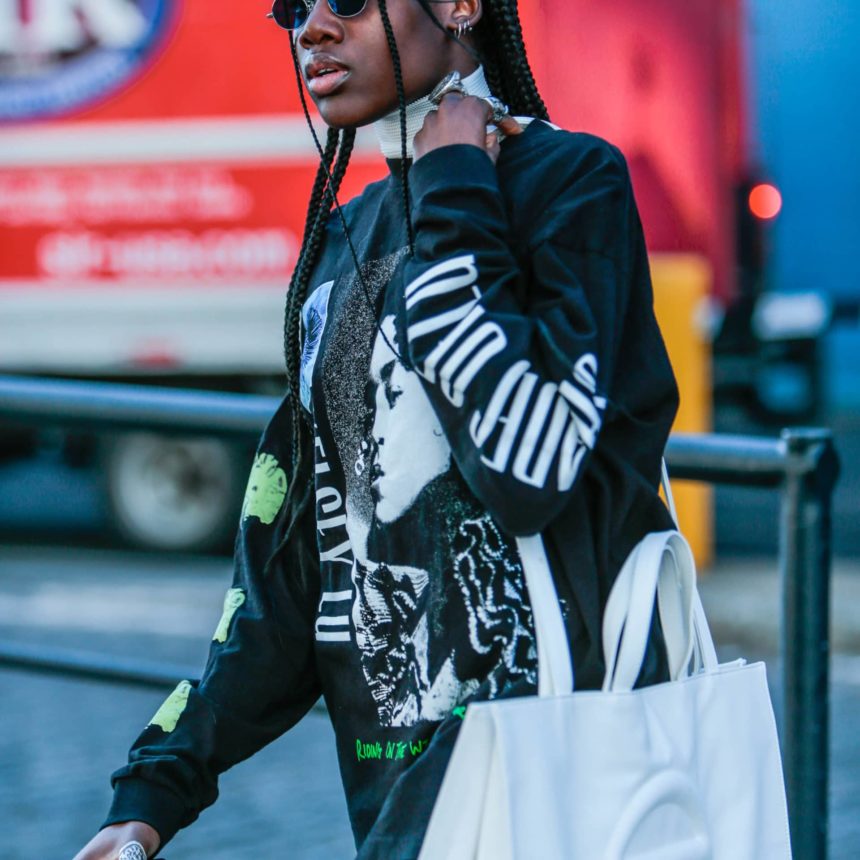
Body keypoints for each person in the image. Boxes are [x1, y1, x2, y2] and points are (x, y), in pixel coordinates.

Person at [75, 0, 679, 857]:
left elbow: (528, 472)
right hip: (398, 814)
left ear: (461, 5)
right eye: (295, 7)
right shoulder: (342, 241)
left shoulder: (569, 184)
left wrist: (456, 186)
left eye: (349, 0)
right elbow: (296, 576)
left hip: (560, 793)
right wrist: (152, 794)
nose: (313, 29)